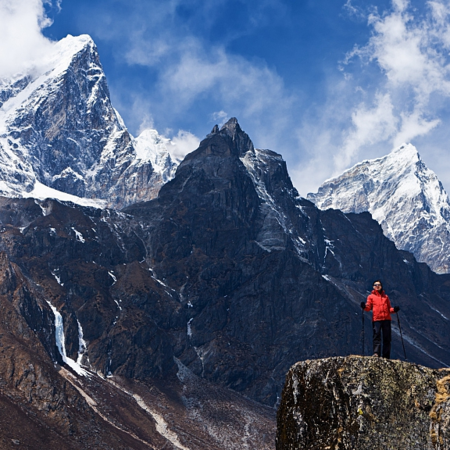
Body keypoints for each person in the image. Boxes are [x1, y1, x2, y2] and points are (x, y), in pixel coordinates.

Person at [360, 280, 400, 358]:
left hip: (386, 319)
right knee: (377, 336)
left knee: (387, 338)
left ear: (381, 286)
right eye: (375, 285)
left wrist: (394, 310)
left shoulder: (386, 297)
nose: (377, 286)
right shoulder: (371, 297)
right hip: (377, 319)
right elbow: (368, 307)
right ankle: (376, 353)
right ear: (373, 287)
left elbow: (389, 309)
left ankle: (386, 355)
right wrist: (364, 307)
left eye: (379, 285)